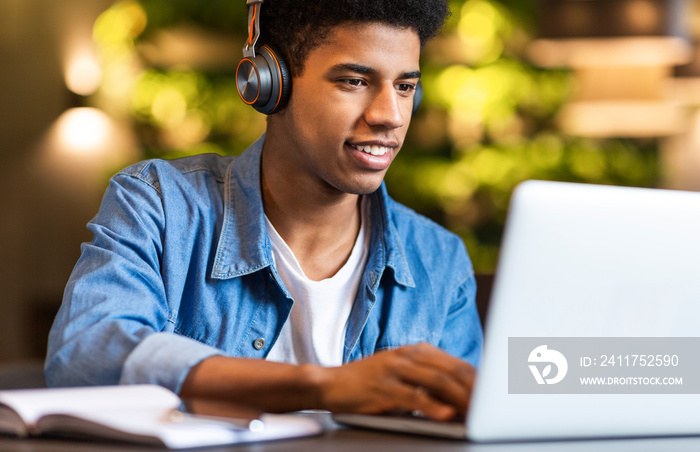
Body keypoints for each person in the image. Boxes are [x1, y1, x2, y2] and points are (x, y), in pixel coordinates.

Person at [45, 0, 483, 421]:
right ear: (269, 83)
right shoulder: (160, 205)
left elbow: (475, 423)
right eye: (354, 81)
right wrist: (323, 387)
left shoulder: (440, 260)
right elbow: (84, 353)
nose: (390, 115)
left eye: (405, 87)